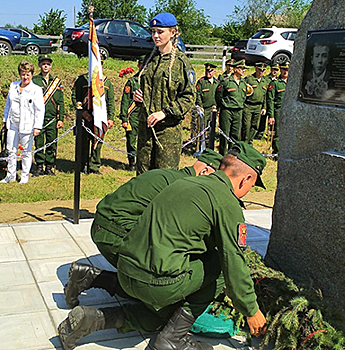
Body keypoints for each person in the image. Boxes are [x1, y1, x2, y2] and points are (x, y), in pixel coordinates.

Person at [58, 142, 268, 350]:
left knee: (161, 312)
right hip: (153, 282)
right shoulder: (226, 201)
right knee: (217, 270)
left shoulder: (184, 183)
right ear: (246, 179)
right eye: (252, 185)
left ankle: (93, 319)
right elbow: (233, 262)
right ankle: (174, 338)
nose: (249, 191)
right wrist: (252, 310)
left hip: (125, 269)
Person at [62, 149, 223, 310]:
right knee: (155, 290)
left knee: (147, 283)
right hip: (115, 233)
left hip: (101, 226)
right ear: (204, 171)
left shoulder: (168, 175)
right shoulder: (183, 188)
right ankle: (93, 278)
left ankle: (89, 277)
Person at [133, 12, 196, 175]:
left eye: (160, 32)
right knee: (143, 178)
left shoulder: (181, 63)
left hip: (167, 132)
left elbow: (188, 97)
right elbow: (144, 87)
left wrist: (165, 113)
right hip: (145, 129)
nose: (155, 36)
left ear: (173, 32)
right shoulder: (149, 60)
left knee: (164, 178)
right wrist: (138, 97)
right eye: (153, 31)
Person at [1, 61, 44, 184]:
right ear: (20, 74)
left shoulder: (35, 89)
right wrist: (5, 121)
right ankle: (10, 175)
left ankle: (25, 176)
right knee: (11, 150)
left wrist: (37, 126)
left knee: (26, 151)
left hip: (27, 124)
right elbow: (8, 105)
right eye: (23, 74)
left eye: (28, 74)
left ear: (31, 75)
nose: (25, 77)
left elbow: (39, 110)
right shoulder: (13, 86)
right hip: (13, 123)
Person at [71, 61, 115, 174]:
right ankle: (83, 166)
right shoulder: (82, 80)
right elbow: (75, 97)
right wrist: (82, 113)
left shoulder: (106, 82)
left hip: (100, 117)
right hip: (85, 117)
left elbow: (110, 102)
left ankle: (94, 166)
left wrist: (110, 117)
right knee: (83, 142)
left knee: (97, 142)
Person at [32, 55, 65, 176]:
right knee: (39, 142)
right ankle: (39, 165)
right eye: (43, 63)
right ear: (40, 65)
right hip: (38, 118)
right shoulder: (34, 80)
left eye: (48, 64)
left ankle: (49, 166)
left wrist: (60, 118)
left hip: (52, 118)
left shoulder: (56, 82)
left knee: (51, 143)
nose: (46, 66)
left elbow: (61, 102)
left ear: (50, 66)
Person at [215, 59, 248, 155]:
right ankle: (222, 154)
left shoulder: (243, 82)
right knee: (225, 134)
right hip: (227, 110)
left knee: (235, 134)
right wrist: (221, 106)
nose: (243, 70)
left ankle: (231, 154)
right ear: (235, 69)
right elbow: (218, 95)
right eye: (241, 68)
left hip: (238, 111)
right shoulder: (226, 82)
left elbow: (244, 96)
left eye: (244, 69)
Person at [119, 57, 144, 171]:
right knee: (132, 139)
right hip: (133, 115)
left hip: (146, 115)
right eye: (141, 65)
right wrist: (124, 118)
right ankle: (132, 162)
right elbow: (125, 101)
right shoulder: (132, 82)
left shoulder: (151, 81)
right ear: (138, 66)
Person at [242, 62, 269, 144]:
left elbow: (265, 96)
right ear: (256, 69)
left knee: (255, 125)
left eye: (263, 70)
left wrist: (264, 107)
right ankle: (245, 141)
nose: (261, 72)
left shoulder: (265, 81)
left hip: (258, 106)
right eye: (259, 70)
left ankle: (250, 141)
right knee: (246, 125)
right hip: (248, 105)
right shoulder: (249, 79)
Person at [266, 62, 289, 155]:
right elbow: (270, 100)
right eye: (283, 69)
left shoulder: (292, 83)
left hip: (289, 110)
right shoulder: (275, 83)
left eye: (287, 70)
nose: (285, 72)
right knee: (278, 132)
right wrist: (271, 115)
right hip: (278, 110)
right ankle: (277, 152)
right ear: (280, 70)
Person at [255, 63, 279, 140]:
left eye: (277, 70)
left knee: (273, 120)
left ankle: (271, 135)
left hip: (273, 104)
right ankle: (260, 134)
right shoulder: (266, 79)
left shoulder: (278, 80)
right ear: (270, 69)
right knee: (262, 120)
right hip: (265, 102)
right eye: (274, 69)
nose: (275, 71)